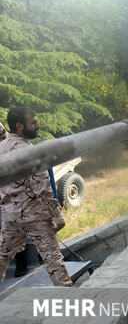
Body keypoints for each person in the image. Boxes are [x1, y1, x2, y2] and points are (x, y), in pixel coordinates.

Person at [0, 107, 72, 286]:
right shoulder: (29, 152)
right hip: (35, 218)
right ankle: (70, 303)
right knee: (54, 261)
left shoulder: (1, 148)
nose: (38, 125)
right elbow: (43, 189)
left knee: (2, 257)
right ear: (19, 126)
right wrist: (58, 216)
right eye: (33, 123)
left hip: (10, 218)